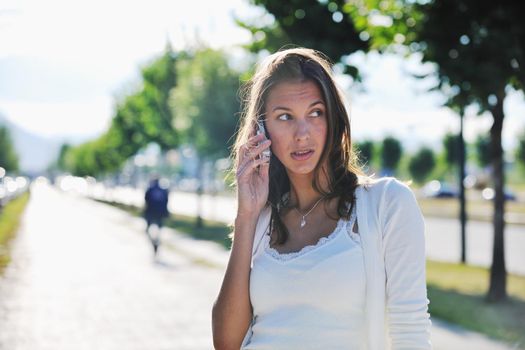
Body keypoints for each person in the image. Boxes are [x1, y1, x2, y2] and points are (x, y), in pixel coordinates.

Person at [212, 47, 432, 349]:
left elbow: (411, 334)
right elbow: (226, 342)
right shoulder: (261, 220)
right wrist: (246, 215)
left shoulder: (387, 205)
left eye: (315, 113)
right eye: (284, 117)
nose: (302, 133)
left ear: (334, 121)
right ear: (260, 132)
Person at [144, 176, 169, 255]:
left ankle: (154, 242)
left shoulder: (150, 190)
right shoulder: (164, 190)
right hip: (160, 214)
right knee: (159, 230)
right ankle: (156, 241)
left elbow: (146, 202)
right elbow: (166, 202)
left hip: (150, 213)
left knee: (147, 231)